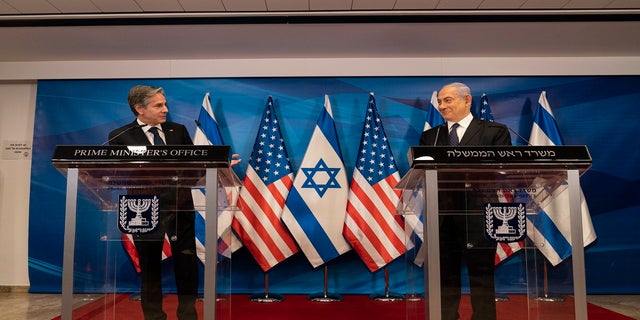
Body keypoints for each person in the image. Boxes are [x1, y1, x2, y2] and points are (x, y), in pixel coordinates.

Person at [419, 82, 512, 320]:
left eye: (447, 100)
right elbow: (420, 174)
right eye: (439, 101)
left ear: (467, 100)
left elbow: (503, 171)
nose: (441, 106)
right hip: (443, 215)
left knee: (481, 274)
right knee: (445, 275)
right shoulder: (431, 136)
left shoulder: (494, 131)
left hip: (478, 214)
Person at [108, 85, 198, 320]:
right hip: (143, 208)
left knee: (186, 264)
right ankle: (154, 317)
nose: (165, 109)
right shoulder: (120, 136)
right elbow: (116, 173)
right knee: (149, 266)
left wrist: (219, 167)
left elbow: (194, 168)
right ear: (139, 108)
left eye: (165, 104)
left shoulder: (178, 131)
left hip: (180, 206)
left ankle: (188, 315)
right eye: (158, 105)